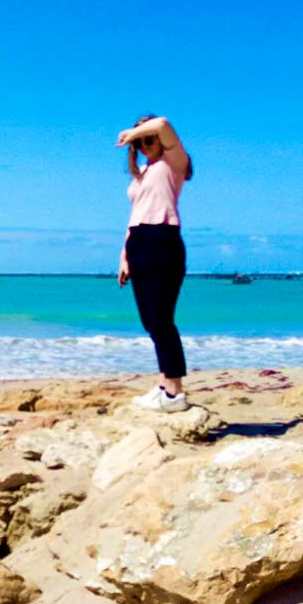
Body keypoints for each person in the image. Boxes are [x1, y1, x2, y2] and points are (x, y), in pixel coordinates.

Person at [116, 115, 194, 412]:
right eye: (140, 141)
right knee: (150, 321)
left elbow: (162, 123)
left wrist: (134, 131)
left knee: (162, 320)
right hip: (139, 240)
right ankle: (165, 385)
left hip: (162, 239)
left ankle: (175, 393)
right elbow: (134, 215)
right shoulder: (144, 173)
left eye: (148, 138)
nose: (145, 143)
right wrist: (124, 256)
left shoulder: (174, 162)